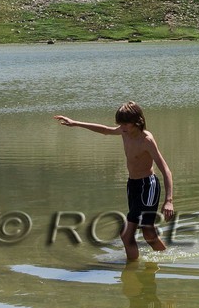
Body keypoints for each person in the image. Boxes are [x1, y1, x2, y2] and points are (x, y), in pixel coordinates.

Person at [55, 101, 175, 261]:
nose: (122, 127)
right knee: (143, 233)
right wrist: (75, 123)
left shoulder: (146, 139)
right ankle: (163, 258)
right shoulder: (125, 131)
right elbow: (105, 130)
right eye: (120, 124)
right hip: (132, 185)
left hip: (148, 186)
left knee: (132, 233)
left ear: (137, 121)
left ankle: (133, 269)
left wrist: (169, 201)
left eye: (125, 124)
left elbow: (165, 169)